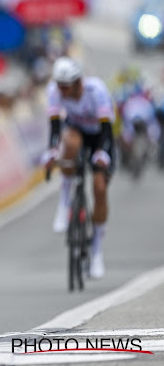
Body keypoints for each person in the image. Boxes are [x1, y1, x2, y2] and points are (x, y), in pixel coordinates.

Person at [42, 56, 115, 279]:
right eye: (59, 86)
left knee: (99, 189)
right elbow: (55, 125)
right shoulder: (54, 91)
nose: (62, 91)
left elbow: (107, 129)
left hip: (101, 137)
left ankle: (96, 253)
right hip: (77, 132)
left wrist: (102, 154)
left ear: (78, 82)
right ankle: (65, 203)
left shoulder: (97, 91)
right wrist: (53, 151)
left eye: (66, 86)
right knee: (69, 144)